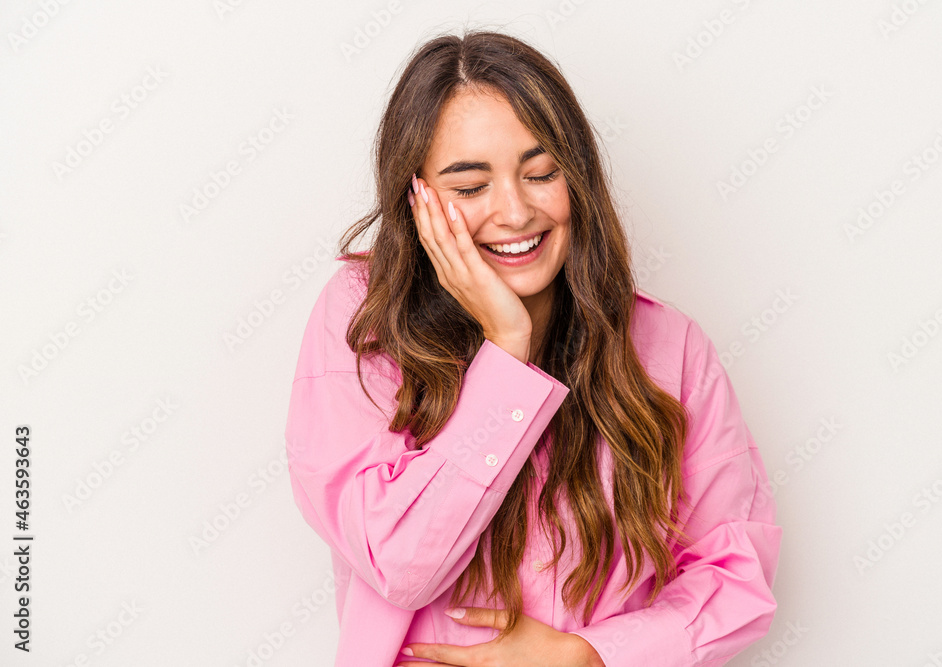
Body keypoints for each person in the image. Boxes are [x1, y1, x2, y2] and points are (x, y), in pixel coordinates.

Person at [283, 28, 782, 667]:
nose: (515, 212)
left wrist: (590, 655)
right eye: (470, 187)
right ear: (416, 200)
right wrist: (506, 348)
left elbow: (736, 574)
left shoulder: (669, 346)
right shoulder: (362, 323)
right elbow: (401, 562)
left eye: (541, 173)